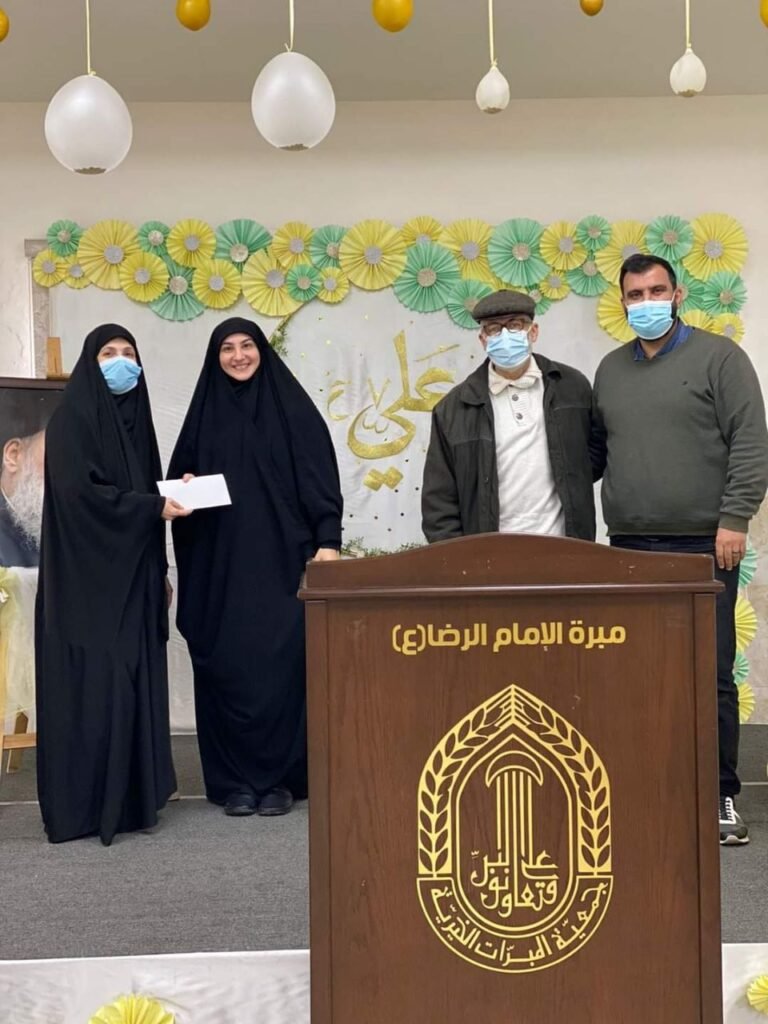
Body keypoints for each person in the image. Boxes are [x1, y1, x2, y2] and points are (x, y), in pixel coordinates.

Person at [591, 253, 768, 846]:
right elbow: (594, 453)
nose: (646, 302)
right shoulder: (610, 370)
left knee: (708, 672)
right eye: (635, 294)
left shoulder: (721, 358)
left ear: (678, 293)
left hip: (705, 543)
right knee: (635, 672)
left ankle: (719, 792)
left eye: (656, 291)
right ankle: (646, 789)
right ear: (622, 302)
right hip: (628, 544)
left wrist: (735, 519)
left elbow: (751, 443)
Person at [168, 317, 343, 818]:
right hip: (220, 570)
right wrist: (184, 487)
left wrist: (327, 542)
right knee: (227, 668)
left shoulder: (293, 411)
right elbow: (177, 492)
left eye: (247, 345)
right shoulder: (203, 416)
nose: (239, 355)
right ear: (215, 357)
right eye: (227, 348)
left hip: (281, 565)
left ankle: (280, 780)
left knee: (280, 669)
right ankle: (234, 783)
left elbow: (319, 479)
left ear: (262, 351)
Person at [35, 324, 188, 845]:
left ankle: (130, 801)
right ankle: (88, 806)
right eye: (108, 353)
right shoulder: (72, 419)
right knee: (100, 686)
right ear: (89, 361)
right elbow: (81, 496)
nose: (121, 362)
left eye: (129, 353)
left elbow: (146, 493)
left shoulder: (137, 421)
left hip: (135, 577)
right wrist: (151, 506)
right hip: (87, 585)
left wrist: (160, 564)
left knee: (132, 680)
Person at [422, 288, 595, 543]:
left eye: (515, 325)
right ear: (483, 339)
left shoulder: (571, 387)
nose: (505, 335)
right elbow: (439, 499)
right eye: (494, 329)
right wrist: (458, 558)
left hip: (566, 545)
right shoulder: (453, 409)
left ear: (533, 331)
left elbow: (594, 456)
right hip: (489, 553)